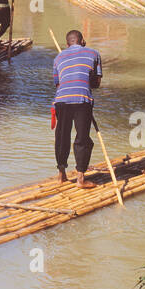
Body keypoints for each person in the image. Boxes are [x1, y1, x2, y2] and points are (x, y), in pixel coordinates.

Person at [51, 30, 103, 188]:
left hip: (61, 100)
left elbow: (58, 84)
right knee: (83, 138)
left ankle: (61, 175)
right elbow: (97, 82)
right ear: (83, 41)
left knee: (61, 137)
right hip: (82, 99)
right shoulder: (93, 53)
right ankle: (80, 178)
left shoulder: (58, 57)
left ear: (67, 44)